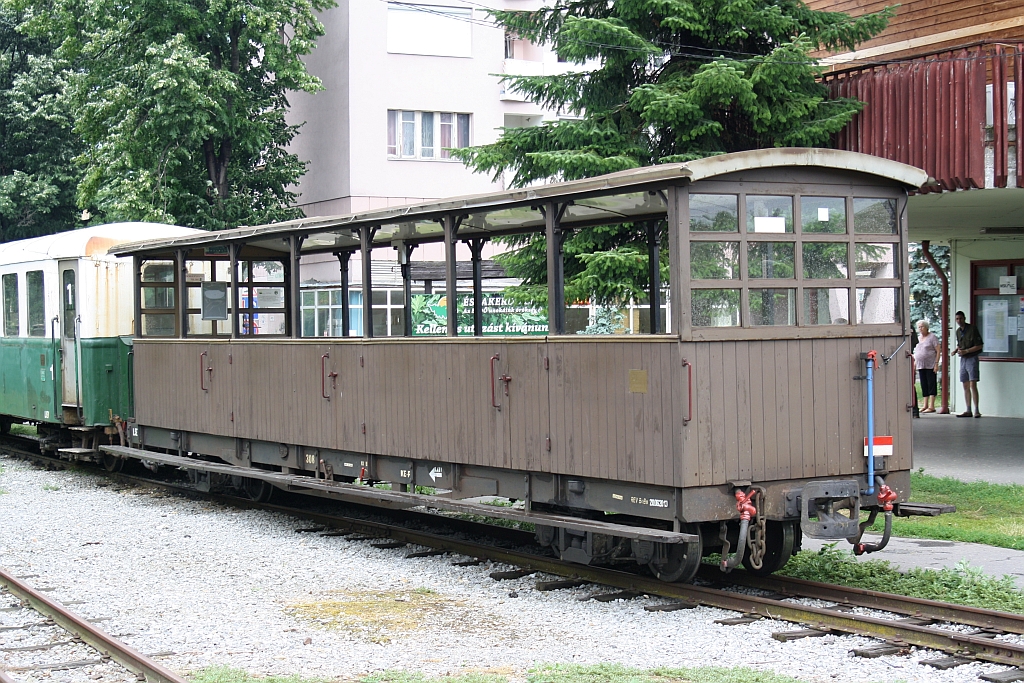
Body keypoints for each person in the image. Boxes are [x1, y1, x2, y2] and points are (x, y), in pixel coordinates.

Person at [952, 310, 984, 417]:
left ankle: (977, 410)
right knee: (965, 384)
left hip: (972, 358)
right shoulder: (958, 331)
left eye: (960, 318)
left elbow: (979, 345)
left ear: (964, 318)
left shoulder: (972, 329)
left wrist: (967, 351)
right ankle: (968, 409)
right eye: (957, 319)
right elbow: (960, 344)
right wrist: (956, 350)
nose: (959, 321)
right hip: (963, 359)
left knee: (972, 384)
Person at [914, 320, 941, 413]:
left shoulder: (932, 337)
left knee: (931, 384)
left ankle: (931, 406)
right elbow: (917, 351)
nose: (920, 329)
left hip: (931, 365)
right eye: (919, 327)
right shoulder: (919, 338)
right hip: (921, 365)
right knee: (923, 384)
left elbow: (938, 350)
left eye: (922, 327)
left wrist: (936, 363)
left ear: (926, 327)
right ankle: (925, 405)